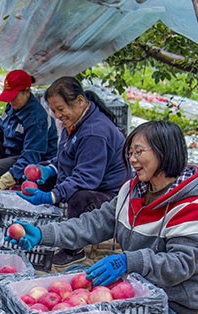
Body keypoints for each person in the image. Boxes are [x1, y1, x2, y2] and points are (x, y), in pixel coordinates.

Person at [11, 121, 198, 314]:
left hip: (169, 302)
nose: (132, 159)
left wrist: (129, 261)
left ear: (164, 151)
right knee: (76, 277)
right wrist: (42, 234)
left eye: (139, 152)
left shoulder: (191, 205)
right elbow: (92, 224)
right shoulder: (132, 191)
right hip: (132, 286)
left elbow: (181, 264)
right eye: (130, 153)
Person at [18, 76, 131, 266]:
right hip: (93, 182)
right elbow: (66, 158)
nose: (57, 115)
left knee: (79, 197)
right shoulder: (74, 123)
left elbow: (86, 178)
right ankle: (51, 228)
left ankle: (74, 250)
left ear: (79, 101)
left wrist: (52, 195)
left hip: (111, 196)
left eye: (60, 109)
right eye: (53, 110)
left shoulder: (94, 132)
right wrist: (48, 169)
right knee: (45, 181)